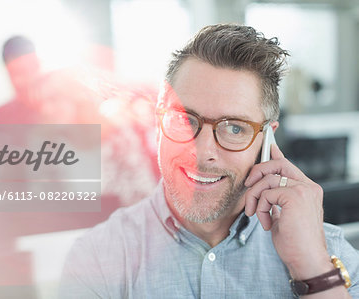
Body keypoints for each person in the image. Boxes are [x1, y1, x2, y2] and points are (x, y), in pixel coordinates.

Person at [58, 24, 358, 298]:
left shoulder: (328, 255)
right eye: (184, 120)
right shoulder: (97, 258)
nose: (201, 152)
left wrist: (313, 272)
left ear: (267, 141)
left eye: (234, 128)